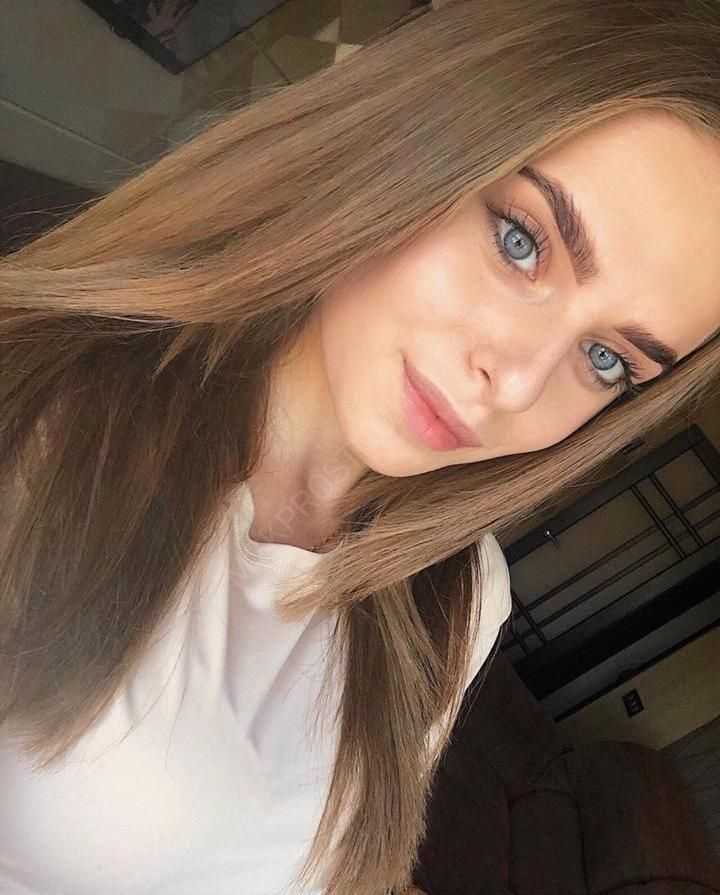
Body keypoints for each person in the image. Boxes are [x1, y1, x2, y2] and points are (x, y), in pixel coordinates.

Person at [0, 1, 719, 893]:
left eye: (606, 359)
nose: (517, 383)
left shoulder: (459, 594)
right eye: (520, 240)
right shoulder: (42, 419)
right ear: (411, 139)